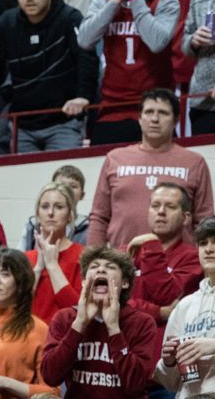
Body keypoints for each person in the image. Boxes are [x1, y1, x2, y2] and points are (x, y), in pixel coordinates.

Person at [78, 0, 179, 145]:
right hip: (111, 108)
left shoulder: (165, 1)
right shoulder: (103, 1)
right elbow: (84, 40)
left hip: (155, 106)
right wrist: (114, 2)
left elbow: (157, 42)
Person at [87, 88, 214, 248]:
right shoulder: (115, 159)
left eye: (163, 113)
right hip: (123, 264)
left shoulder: (195, 162)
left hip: (178, 267)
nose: (154, 119)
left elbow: (204, 221)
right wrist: (92, 258)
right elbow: (99, 217)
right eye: (149, 112)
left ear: (175, 120)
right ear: (139, 118)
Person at [0, 0, 98, 152]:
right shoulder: (6, 23)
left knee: (65, 178)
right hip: (21, 124)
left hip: (64, 121)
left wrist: (84, 97)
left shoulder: (70, 18)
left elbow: (87, 57)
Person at [41, 247, 157, 397]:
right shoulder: (65, 318)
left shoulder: (142, 323)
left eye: (110, 267)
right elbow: (50, 376)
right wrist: (79, 325)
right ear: (84, 282)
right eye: (94, 267)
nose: (101, 270)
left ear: (125, 283)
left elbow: (136, 384)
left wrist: (114, 329)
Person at [127, 182, 202, 386]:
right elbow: (118, 304)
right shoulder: (130, 251)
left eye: (170, 206)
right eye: (155, 205)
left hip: (166, 375)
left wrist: (151, 243)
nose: (160, 212)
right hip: (126, 368)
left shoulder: (194, 258)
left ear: (186, 217)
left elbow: (166, 295)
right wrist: (160, 312)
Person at [0, 248, 60, 398]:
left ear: (21, 282)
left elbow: (52, 392)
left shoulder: (38, 330)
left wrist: (3, 382)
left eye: (5, 274)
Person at [154, 217, 215, 397]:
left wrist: (212, 345)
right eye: (203, 243)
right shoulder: (185, 305)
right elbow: (170, 382)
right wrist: (169, 362)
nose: (209, 249)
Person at [25, 183, 84, 323]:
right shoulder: (26, 258)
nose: (50, 212)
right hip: (29, 338)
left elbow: (76, 310)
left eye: (59, 207)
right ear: (38, 214)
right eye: (45, 206)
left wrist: (52, 265)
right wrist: (38, 269)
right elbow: (15, 310)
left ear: (70, 215)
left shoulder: (82, 256)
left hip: (64, 338)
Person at [20, 165, 90, 250]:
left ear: (82, 195)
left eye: (73, 186)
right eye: (61, 184)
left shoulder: (89, 228)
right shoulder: (32, 226)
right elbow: (19, 258)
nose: (67, 189)